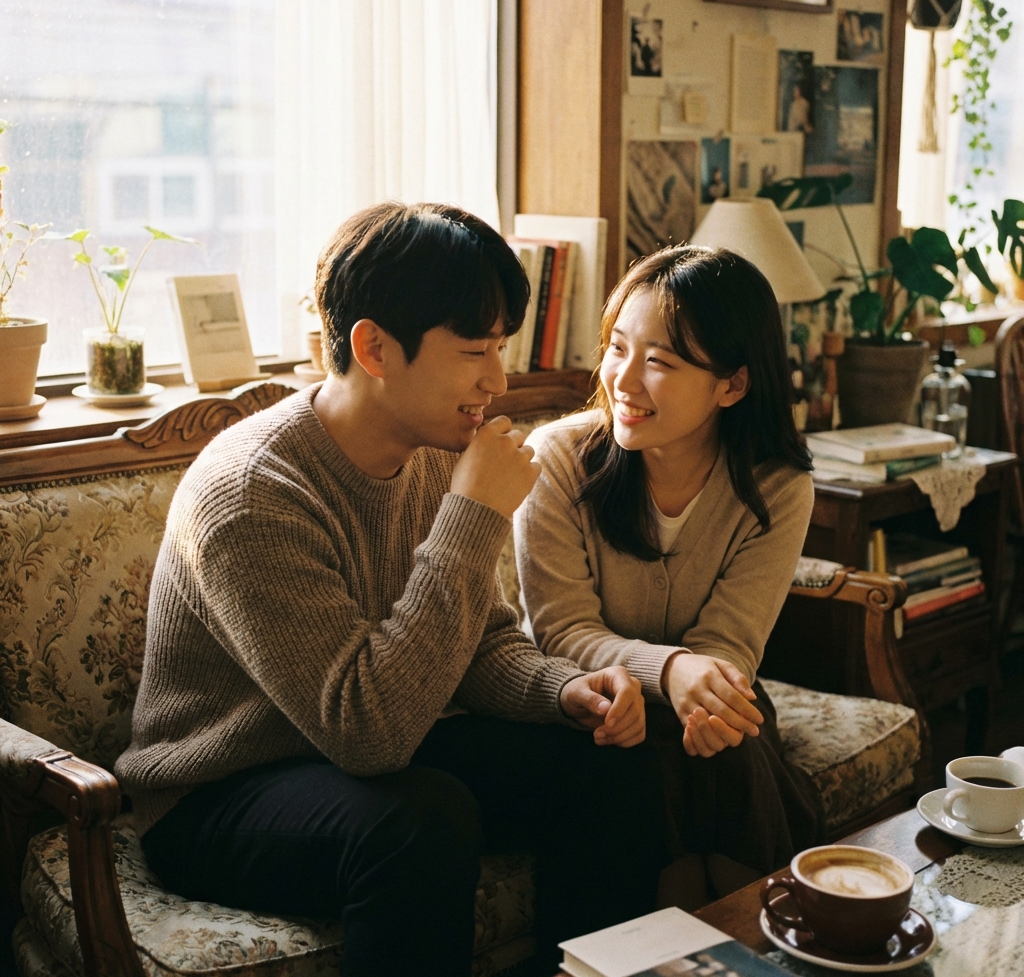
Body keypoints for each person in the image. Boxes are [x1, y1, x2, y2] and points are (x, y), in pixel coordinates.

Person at [115, 202, 664, 976]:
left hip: (367, 747)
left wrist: (564, 691)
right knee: (418, 820)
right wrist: (472, 517)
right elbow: (366, 734)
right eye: (475, 349)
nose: (497, 380)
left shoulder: (439, 448)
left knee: (608, 757)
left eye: (500, 347)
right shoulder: (250, 493)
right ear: (373, 346)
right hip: (219, 792)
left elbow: (482, 643)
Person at [514, 245, 823, 906]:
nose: (624, 380)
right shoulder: (559, 460)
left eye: (659, 362)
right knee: (659, 758)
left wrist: (702, 686)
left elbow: (732, 640)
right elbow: (559, 631)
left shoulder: (777, 487)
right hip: (590, 701)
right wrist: (672, 671)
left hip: (705, 689)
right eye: (618, 348)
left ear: (732, 385)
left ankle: (748, 942)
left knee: (726, 737)